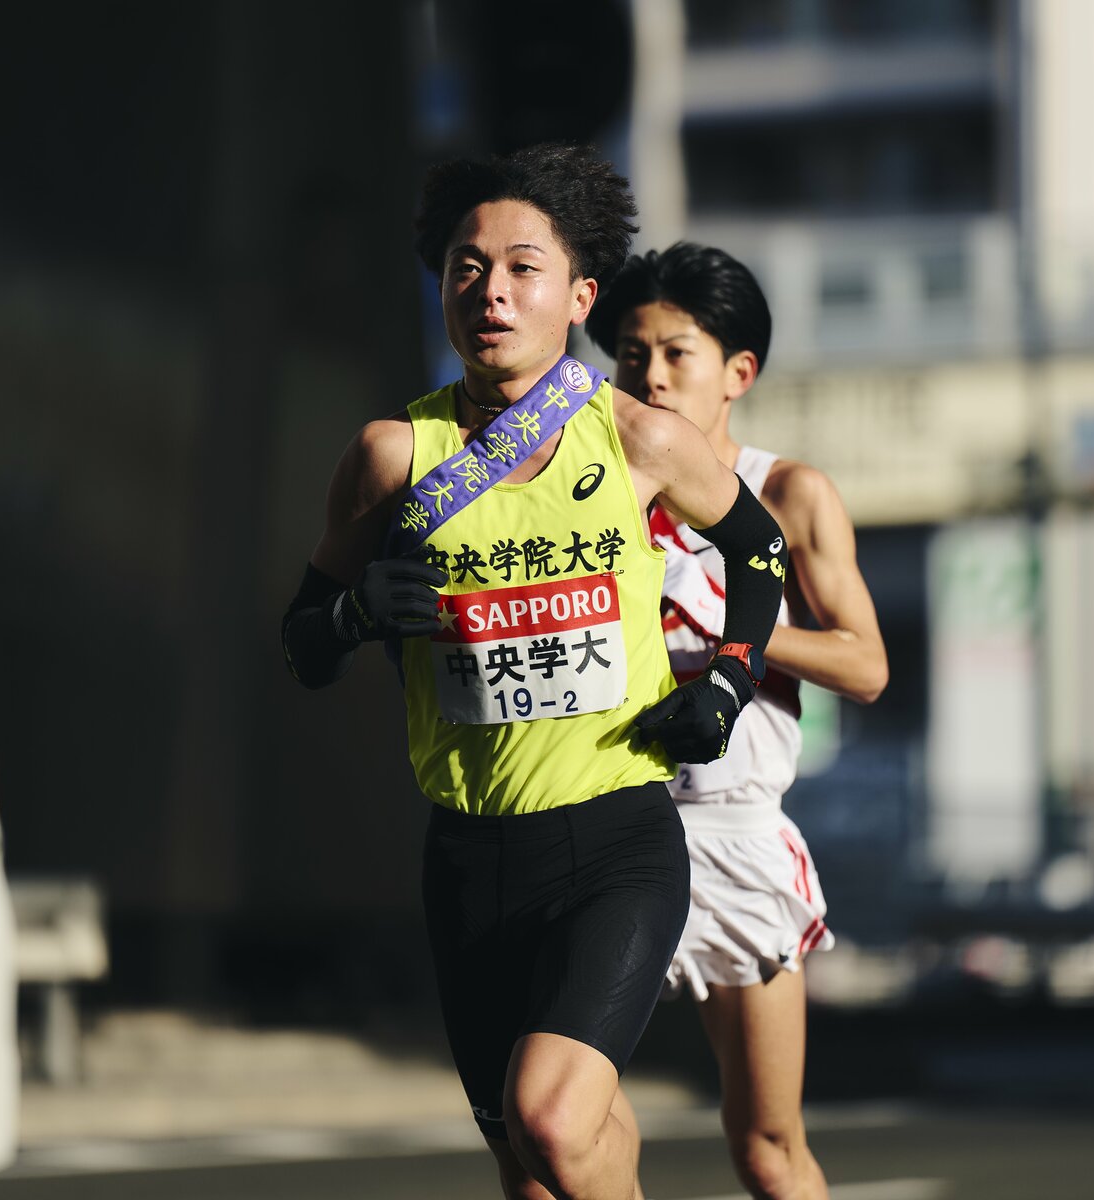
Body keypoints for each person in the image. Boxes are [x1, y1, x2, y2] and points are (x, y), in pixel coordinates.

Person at [280, 146, 787, 1200]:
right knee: (534, 1171)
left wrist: (731, 681)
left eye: (522, 267)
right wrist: (359, 610)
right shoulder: (389, 457)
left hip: (616, 841)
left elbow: (760, 550)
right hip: (469, 858)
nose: (492, 292)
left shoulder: (638, 437)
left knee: (550, 1117)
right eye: (467, 268)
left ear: (579, 295)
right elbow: (300, 641)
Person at [586, 243, 888, 1200]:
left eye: (678, 352)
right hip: (613, 826)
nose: (653, 376)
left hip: (738, 833)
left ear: (738, 373)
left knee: (766, 1147)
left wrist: (738, 633)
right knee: (572, 1125)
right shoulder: (584, 491)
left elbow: (866, 663)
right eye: (632, 355)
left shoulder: (791, 494)